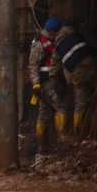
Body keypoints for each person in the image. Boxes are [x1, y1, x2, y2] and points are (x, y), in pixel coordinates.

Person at [49, 21, 97, 135]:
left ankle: (79, 135)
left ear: (55, 31)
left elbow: (52, 71)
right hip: (91, 67)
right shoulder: (76, 31)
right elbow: (94, 43)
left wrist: (56, 85)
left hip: (78, 74)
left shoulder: (57, 47)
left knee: (80, 106)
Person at [28, 18, 67, 152]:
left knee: (44, 112)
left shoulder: (51, 41)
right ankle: (61, 138)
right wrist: (36, 84)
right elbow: (33, 65)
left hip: (48, 81)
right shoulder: (40, 43)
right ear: (51, 31)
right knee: (60, 105)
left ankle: (43, 146)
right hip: (46, 82)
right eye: (56, 31)